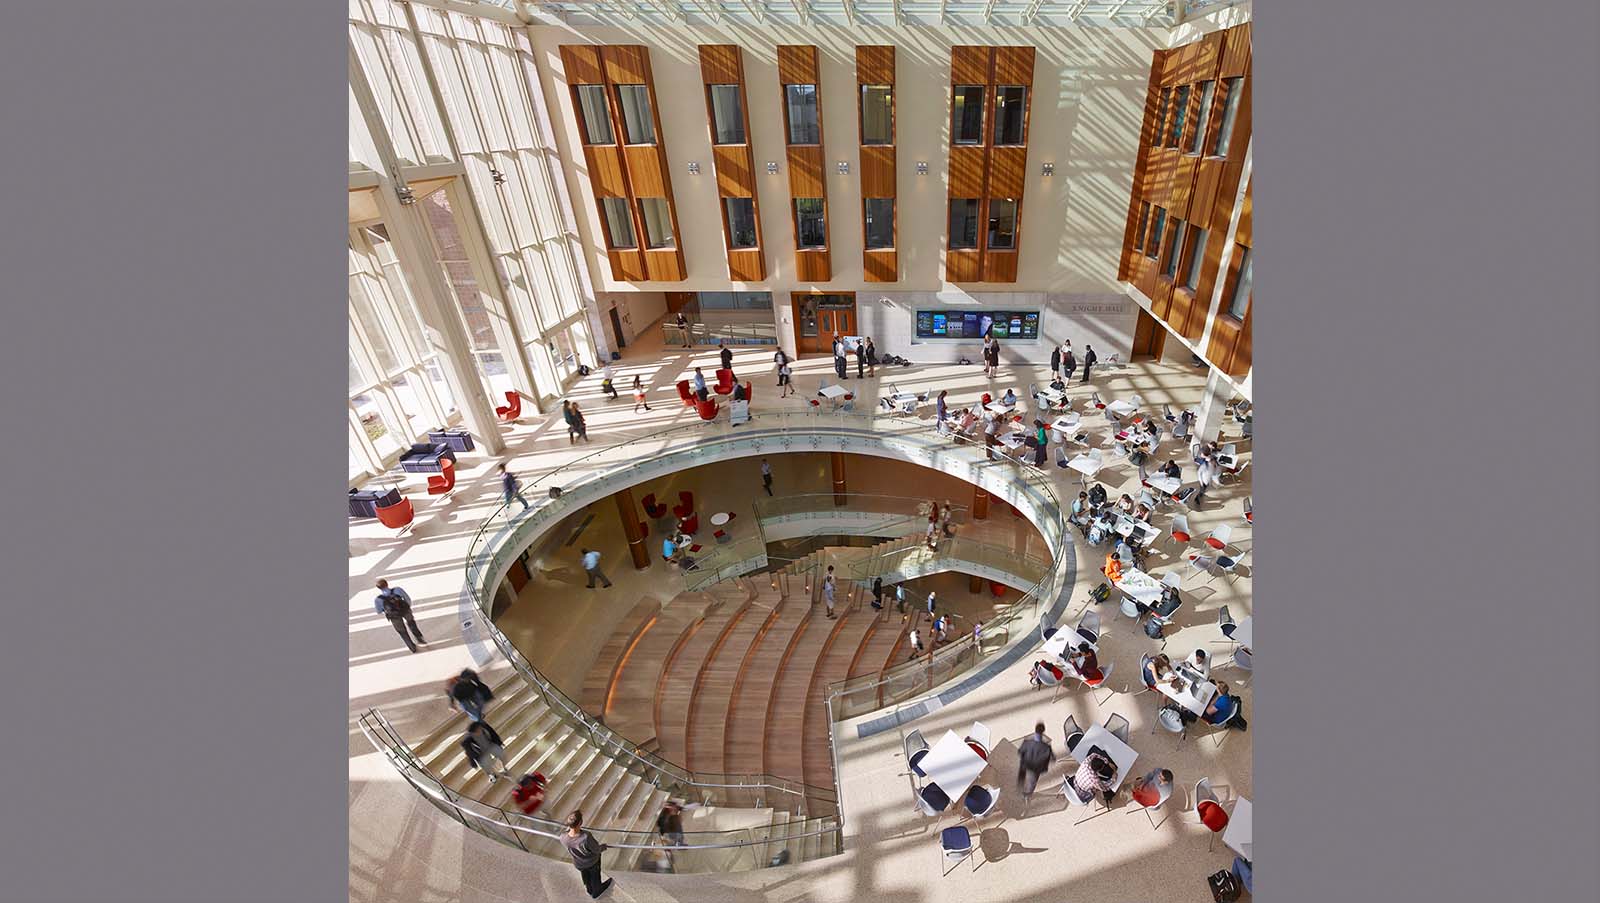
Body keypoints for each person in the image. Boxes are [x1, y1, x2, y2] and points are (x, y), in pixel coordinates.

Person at [561, 811, 613, 899]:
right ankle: (597, 891)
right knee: (595, 876)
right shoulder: (586, 837)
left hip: (579, 863)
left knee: (585, 875)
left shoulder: (563, 837)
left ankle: (589, 889)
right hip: (592, 862)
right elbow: (596, 849)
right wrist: (604, 847)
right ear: (580, 823)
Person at [374, 579, 426, 653]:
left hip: (394, 616)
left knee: (402, 631)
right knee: (411, 623)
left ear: (379, 588)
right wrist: (407, 607)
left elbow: (379, 611)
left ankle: (412, 647)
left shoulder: (378, 599)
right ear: (387, 584)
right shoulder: (397, 590)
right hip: (405, 611)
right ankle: (419, 638)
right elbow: (407, 599)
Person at [1016, 722, 1055, 799]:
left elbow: (1020, 752)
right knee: (1031, 783)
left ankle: (1019, 788)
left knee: (1021, 776)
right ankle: (1027, 796)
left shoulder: (1027, 742)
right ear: (1043, 731)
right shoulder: (1046, 748)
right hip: (1035, 769)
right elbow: (1053, 759)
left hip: (1025, 764)